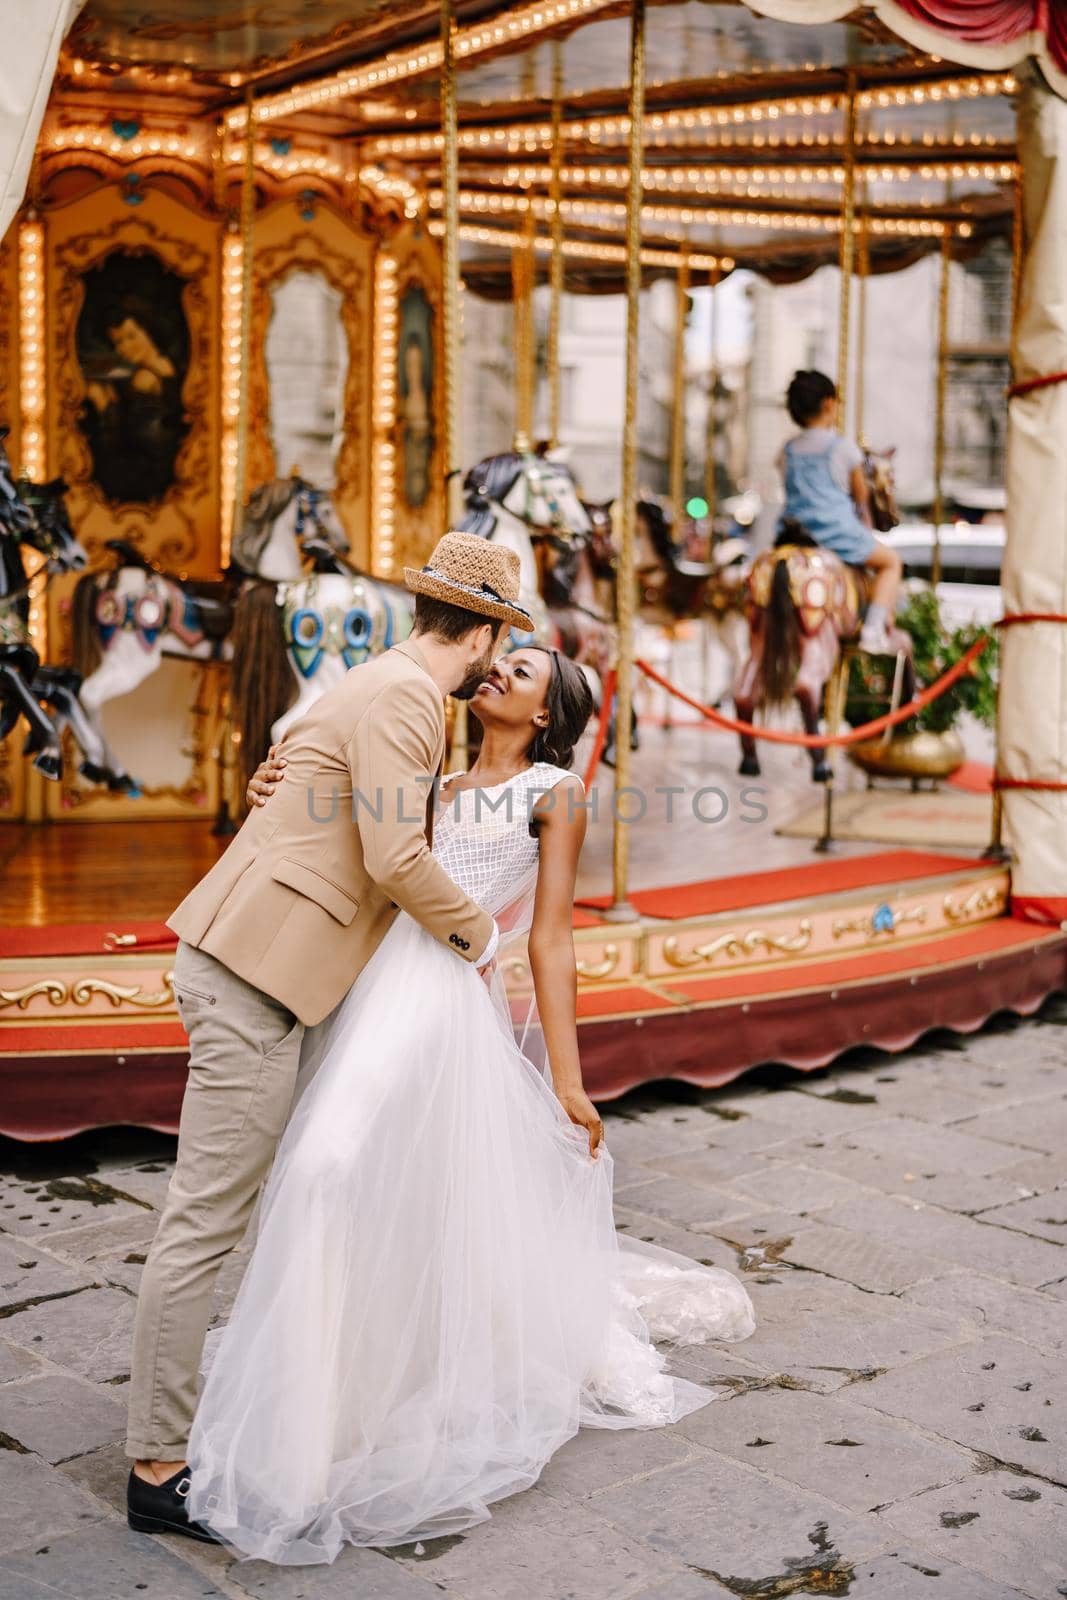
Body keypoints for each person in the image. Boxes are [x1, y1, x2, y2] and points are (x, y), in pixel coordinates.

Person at [178, 619, 754, 1563]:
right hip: (359, 984)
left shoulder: (554, 793)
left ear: (547, 711)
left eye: (520, 670)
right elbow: (350, 830)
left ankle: (316, 1417)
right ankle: (336, 1374)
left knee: (323, 1167)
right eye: (499, 660)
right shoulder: (434, 778)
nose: (497, 674)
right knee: (365, 1183)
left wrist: (566, 1081)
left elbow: (551, 938)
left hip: (437, 997)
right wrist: (268, 785)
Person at [125, 532, 529, 1541]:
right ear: (479, 633)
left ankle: (259, 1408)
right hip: (256, 974)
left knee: (290, 1192)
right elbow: (394, 855)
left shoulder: (379, 685)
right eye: (499, 643)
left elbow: (309, 779)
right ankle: (155, 1462)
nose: (494, 663)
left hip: (282, 972)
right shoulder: (399, 698)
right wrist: (479, 937)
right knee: (206, 1218)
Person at [780, 369, 902, 652]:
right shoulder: (843, 449)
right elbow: (860, 494)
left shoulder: (788, 450)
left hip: (792, 532)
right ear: (828, 404)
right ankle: (872, 630)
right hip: (834, 533)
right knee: (891, 562)